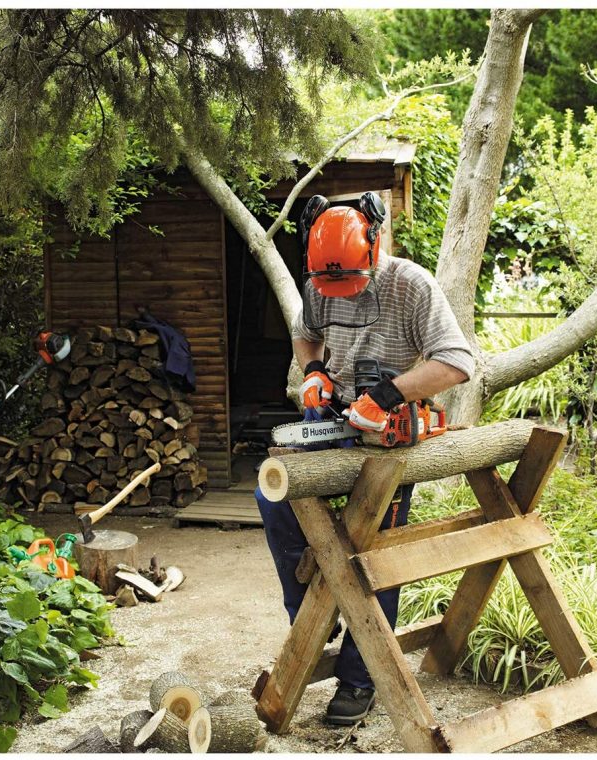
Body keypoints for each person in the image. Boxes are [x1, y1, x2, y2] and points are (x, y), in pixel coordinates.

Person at [255, 192, 475, 725]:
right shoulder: (318, 283)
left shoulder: (411, 284)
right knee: (275, 498)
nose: (337, 294)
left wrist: (392, 394)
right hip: (330, 420)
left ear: (373, 247)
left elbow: (458, 362)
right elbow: (305, 334)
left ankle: (359, 679)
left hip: (383, 430)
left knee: (372, 551)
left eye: (347, 282)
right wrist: (314, 372)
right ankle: (310, 613)